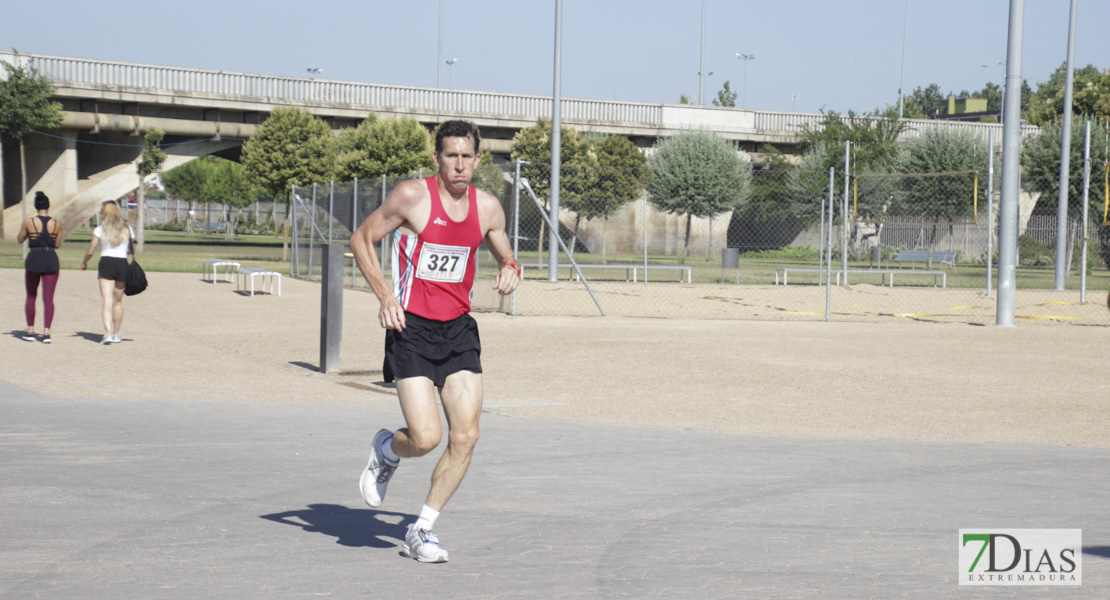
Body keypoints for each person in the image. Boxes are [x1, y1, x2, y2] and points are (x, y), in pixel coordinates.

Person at [349, 120, 520, 563]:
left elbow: (505, 253)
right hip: (412, 329)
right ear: (437, 159)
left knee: (466, 436)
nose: (459, 165)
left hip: (459, 329)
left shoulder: (489, 208)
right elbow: (362, 238)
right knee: (425, 438)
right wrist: (385, 296)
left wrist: (510, 268)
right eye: (451, 156)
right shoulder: (412, 197)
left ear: (478, 160)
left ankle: (422, 528)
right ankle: (388, 449)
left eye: (467, 156)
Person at [80, 200, 135, 345]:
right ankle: (116, 333)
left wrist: (85, 261)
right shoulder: (127, 228)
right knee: (117, 303)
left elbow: (91, 250)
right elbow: (129, 250)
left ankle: (108, 333)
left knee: (106, 302)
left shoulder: (100, 229)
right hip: (122, 263)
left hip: (106, 263)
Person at [16, 192, 63, 343]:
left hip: (34, 259)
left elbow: (20, 239)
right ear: (48, 206)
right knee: (48, 299)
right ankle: (46, 333)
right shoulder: (57, 223)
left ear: (36, 206)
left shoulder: (28, 221)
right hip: (51, 259)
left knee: (31, 296)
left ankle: (30, 331)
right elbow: (57, 244)